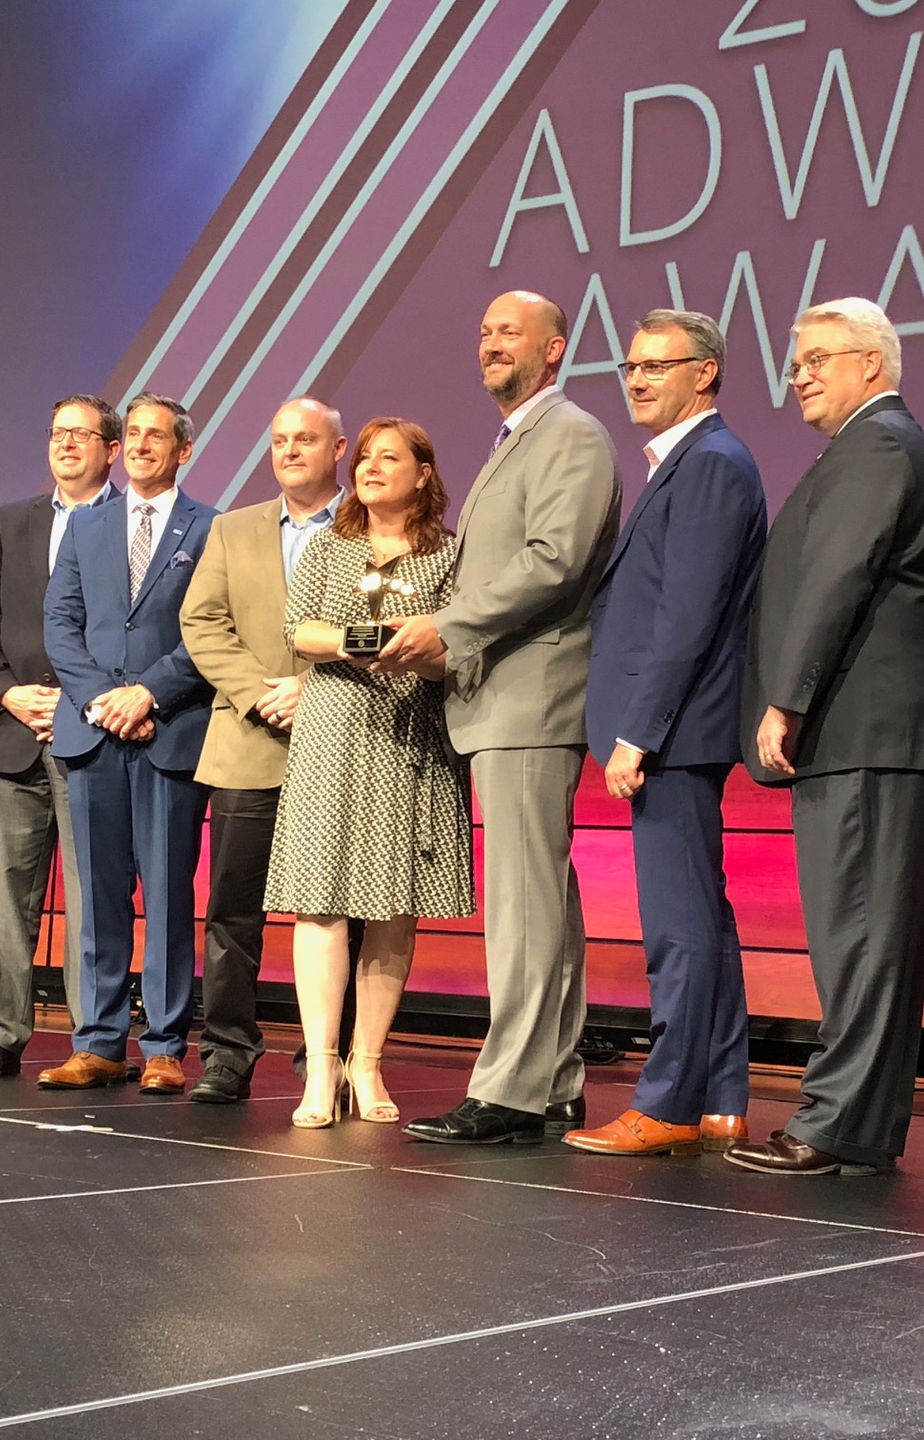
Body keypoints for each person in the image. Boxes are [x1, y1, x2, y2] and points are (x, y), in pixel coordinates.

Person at [721, 300, 924, 1178]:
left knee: (858, 934)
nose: (801, 376)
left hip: (864, 731)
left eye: (819, 358)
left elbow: (838, 577)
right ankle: (857, 1124)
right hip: (862, 735)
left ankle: (832, 1122)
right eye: (796, 363)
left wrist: (788, 697)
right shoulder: (866, 445)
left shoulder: (879, 443)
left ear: (873, 362)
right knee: (864, 936)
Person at [383, 291, 621, 1146]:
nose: (489, 343)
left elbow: (555, 562)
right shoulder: (517, 439)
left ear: (553, 349)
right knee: (539, 899)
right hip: (501, 695)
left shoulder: (572, 435)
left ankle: (510, 1091)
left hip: (531, 696)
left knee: (524, 903)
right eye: (483, 331)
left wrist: (446, 628)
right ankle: (551, 1082)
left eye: (508, 333)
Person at [565, 309, 767, 1158]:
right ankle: (719, 1096)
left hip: (675, 735)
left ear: (705, 373)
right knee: (700, 920)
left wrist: (638, 733)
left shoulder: (711, 463)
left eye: (657, 365)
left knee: (678, 929)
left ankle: (670, 1100)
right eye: (632, 366)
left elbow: (686, 616)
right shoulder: (689, 461)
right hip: (676, 732)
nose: (638, 380)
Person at [264, 418, 474, 1128]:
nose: (371, 467)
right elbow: (299, 630)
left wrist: (421, 653)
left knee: (392, 904)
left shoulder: (450, 553)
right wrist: (372, 641)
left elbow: (455, 646)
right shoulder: (330, 544)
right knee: (319, 900)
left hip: (408, 734)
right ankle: (321, 1066)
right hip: (331, 734)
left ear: (424, 473)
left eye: (390, 457)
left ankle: (368, 1061)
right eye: (364, 458)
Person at [37, 393, 214, 1096]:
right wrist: (102, 702)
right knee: (99, 895)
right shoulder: (86, 524)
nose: (139, 445)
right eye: (132, 433)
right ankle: (98, 1042)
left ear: (183, 450)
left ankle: (165, 1046)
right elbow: (60, 623)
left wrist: (149, 694)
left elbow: (211, 629)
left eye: (155, 435)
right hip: (93, 733)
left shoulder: (212, 528)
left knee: (168, 892)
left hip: (170, 731)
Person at [178, 396, 344, 1105]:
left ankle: (328, 1058)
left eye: (305, 439)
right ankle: (228, 1053)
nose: (290, 452)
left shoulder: (371, 528)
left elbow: (385, 626)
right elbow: (201, 621)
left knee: (339, 911)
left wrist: (312, 691)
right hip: (248, 741)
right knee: (233, 912)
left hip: (340, 745)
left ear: (338, 450)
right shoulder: (234, 527)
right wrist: (259, 693)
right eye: (280, 440)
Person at [0, 395, 119, 1078]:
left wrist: (83, 703)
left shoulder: (132, 522)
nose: (66, 443)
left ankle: (93, 1040)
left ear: (111, 449)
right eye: (57, 432)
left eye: (82, 434)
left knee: (92, 900)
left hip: (95, 737)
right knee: (3, 900)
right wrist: (6, 693)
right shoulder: (11, 519)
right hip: (14, 733)